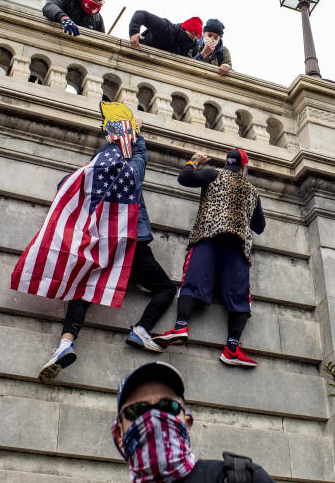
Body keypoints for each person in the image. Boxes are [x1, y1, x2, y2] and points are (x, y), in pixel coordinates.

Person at [14, 103, 177, 383]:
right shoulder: (130, 169)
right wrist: (136, 132)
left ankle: (65, 342)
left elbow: (66, 185)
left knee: (84, 289)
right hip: (129, 243)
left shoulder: (92, 169)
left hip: (98, 241)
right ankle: (141, 329)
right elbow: (140, 158)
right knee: (165, 288)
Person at [155, 149, 265, 368]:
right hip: (237, 247)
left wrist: (194, 161)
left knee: (192, 283)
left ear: (228, 164)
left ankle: (181, 326)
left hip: (208, 237)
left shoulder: (213, 175)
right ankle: (232, 348)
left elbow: (184, 178)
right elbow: (259, 226)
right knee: (240, 300)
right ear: (244, 168)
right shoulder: (252, 190)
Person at [112, 361, 275, 482]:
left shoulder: (245, 478)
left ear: (187, 424)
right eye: (138, 410)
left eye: (168, 406)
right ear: (119, 434)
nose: (154, 418)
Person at [128, 11, 202, 56]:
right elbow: (141, 14)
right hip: (140, 52)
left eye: (196, 38)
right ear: (185, 29)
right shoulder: (166, 28)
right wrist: (134, 32)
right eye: (192, 35)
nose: (193, 39)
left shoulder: (192, 48)